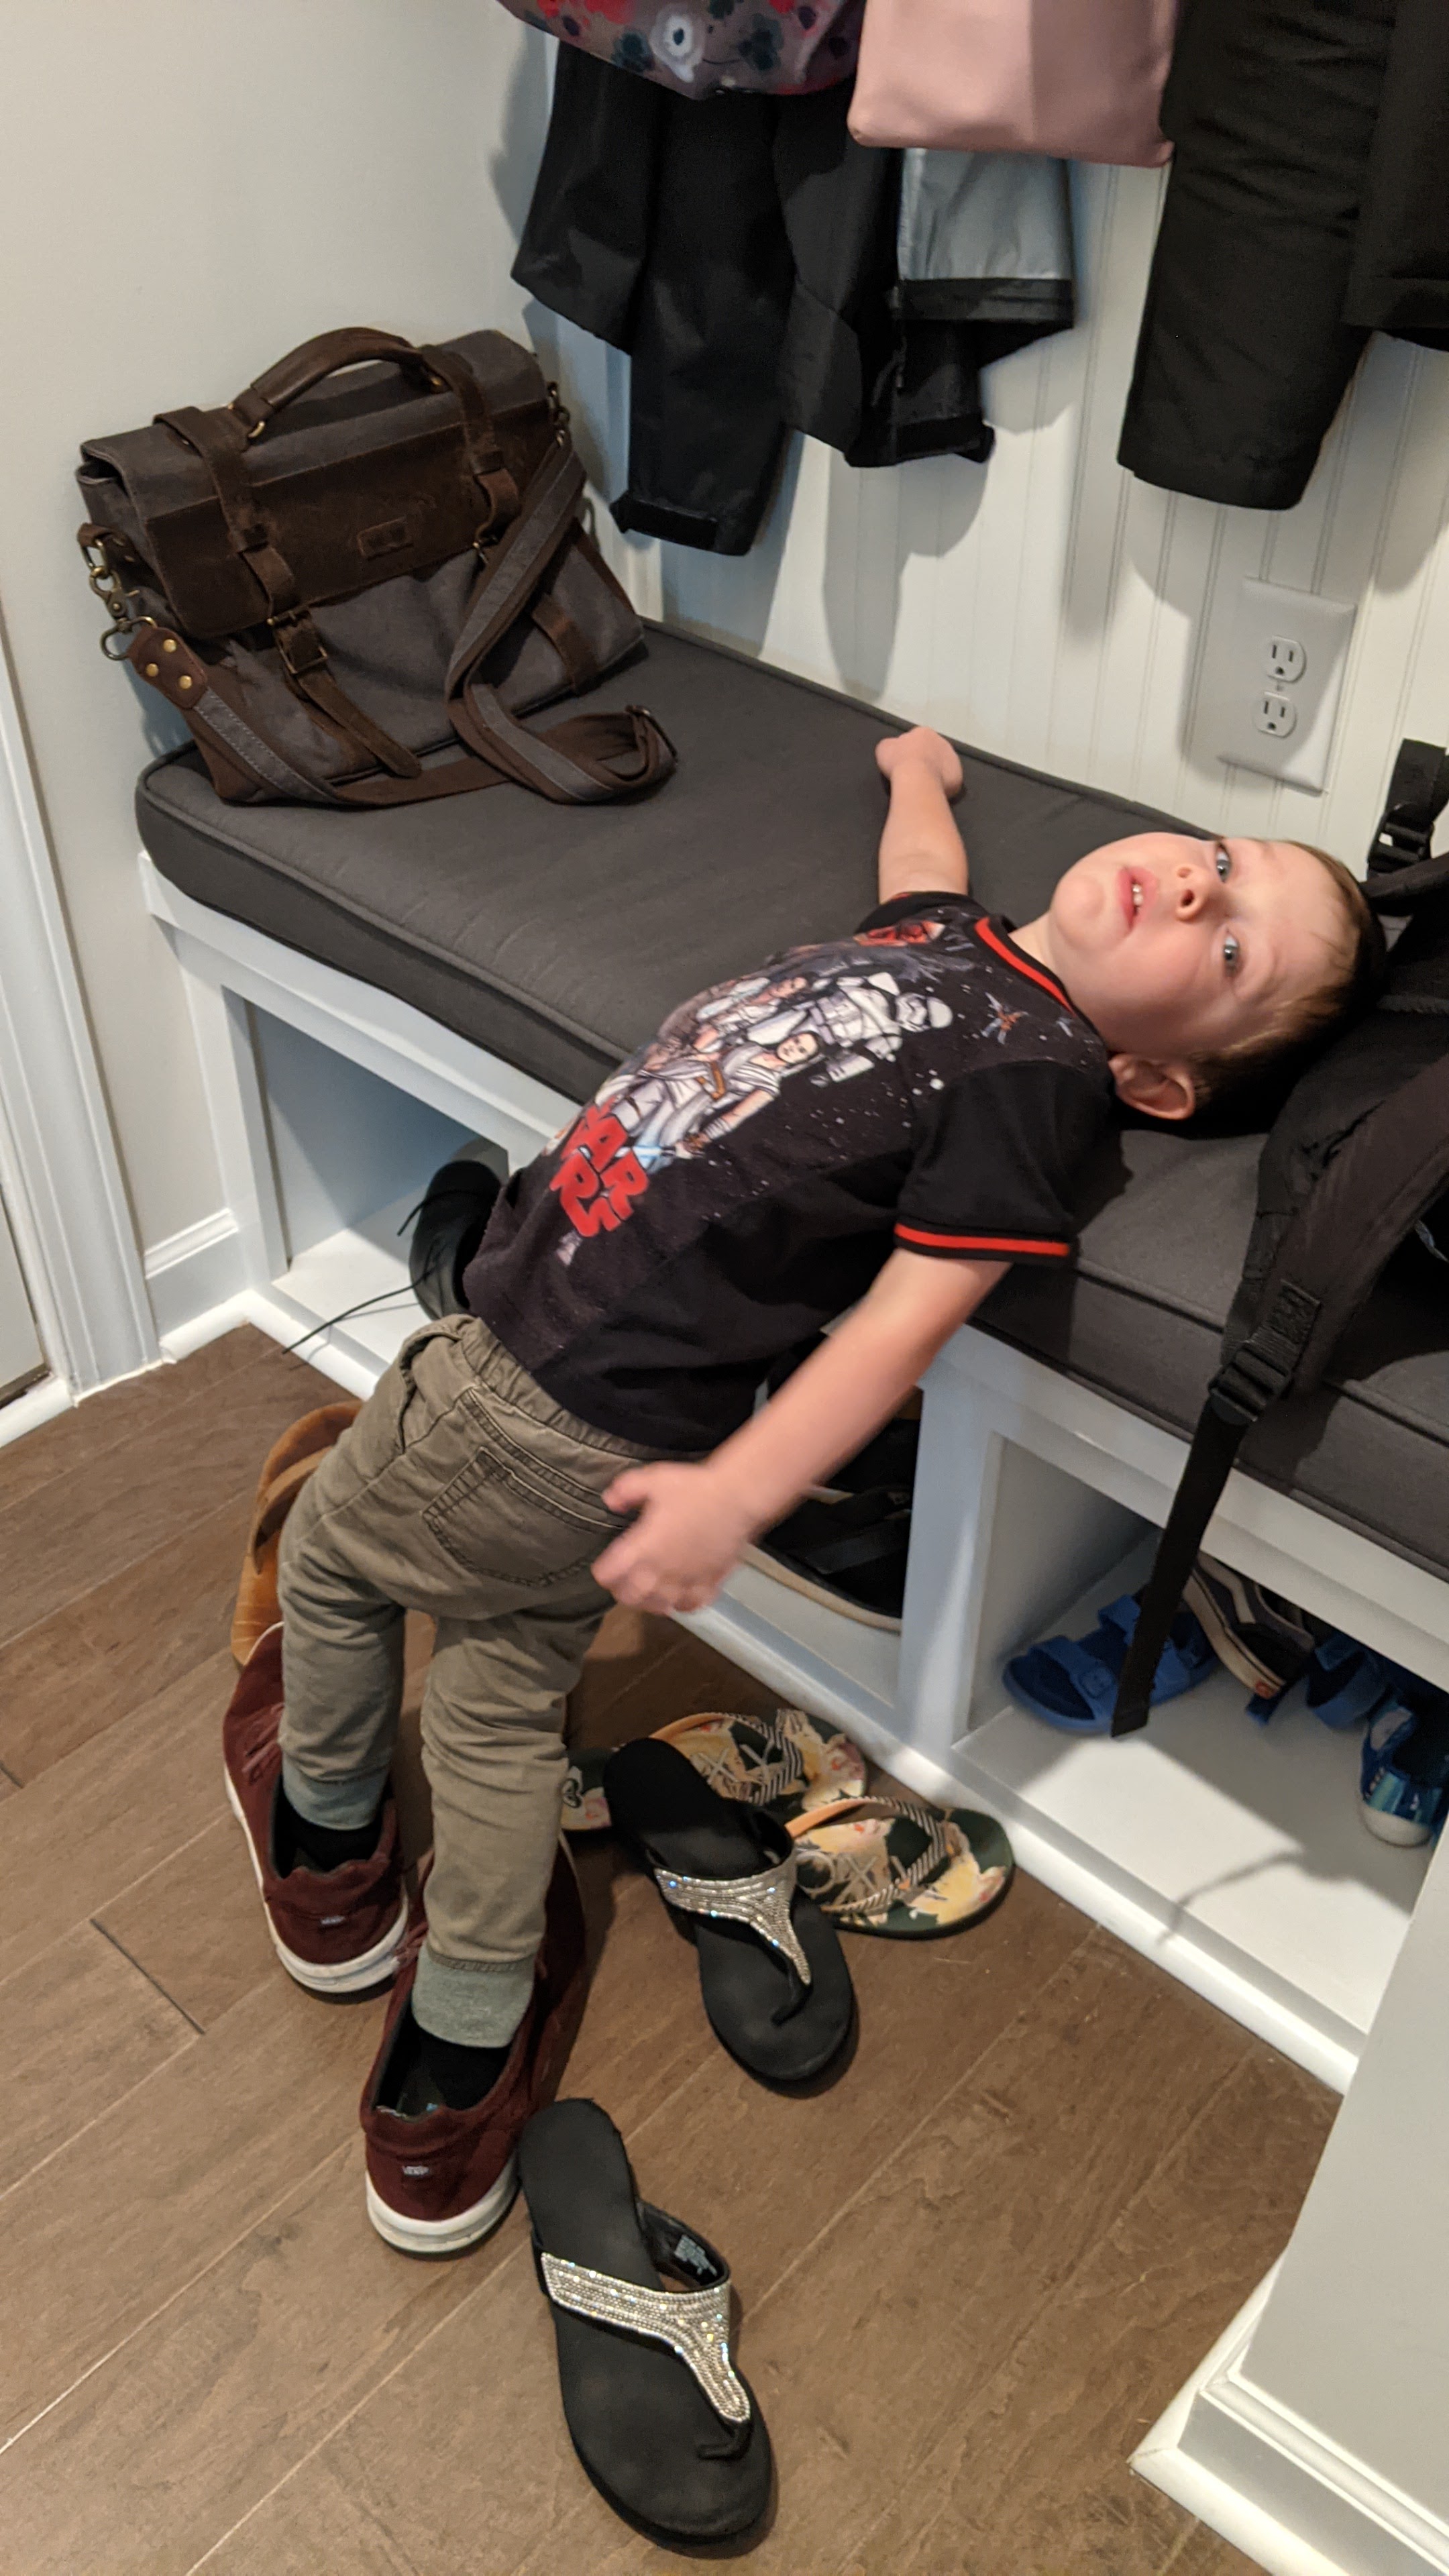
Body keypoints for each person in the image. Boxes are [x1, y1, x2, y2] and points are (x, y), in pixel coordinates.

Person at [222, 724, 1383, 2253]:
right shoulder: (964, 950)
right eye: (1221, 859)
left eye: (1229, 946)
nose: (1189, 888)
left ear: (1158, 1084)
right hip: (599, 1422)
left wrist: (740, 1497)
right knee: (499, 1700)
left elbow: (904, 1326)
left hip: (533, 1382)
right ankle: (460, 2042)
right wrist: (918, 781)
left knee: (328, 1560)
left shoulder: (1039, 1091)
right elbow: (920, 881)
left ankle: (326, 1850)